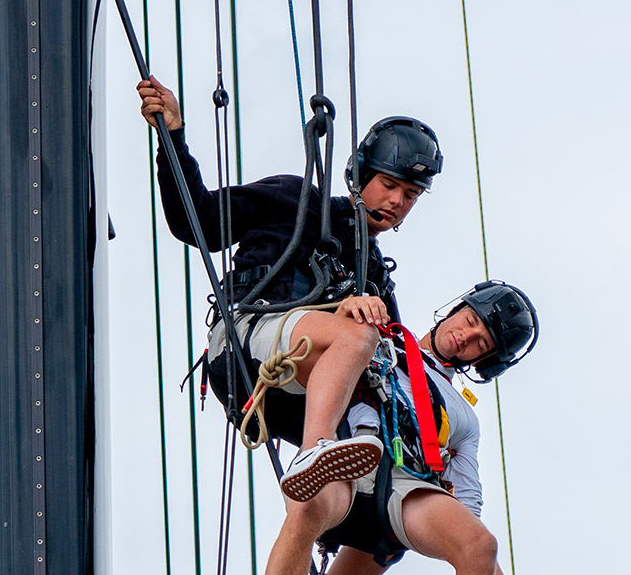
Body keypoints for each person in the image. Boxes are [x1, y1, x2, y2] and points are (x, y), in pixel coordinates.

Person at [230, 281, 544, 575]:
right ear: (454, 310)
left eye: (481, 342)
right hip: (344, 461)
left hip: (401, 483)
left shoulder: (462, 418)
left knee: (477, 544)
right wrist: (350, 304)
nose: (467, 336)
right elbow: (326, 333)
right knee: (311, 505)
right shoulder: (380, 338)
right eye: (470, 321)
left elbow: (469, 510)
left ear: (484, 362)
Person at [138, 77, 443, 502]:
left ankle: (338, 517)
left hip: (304, 397)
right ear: (361, 174)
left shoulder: (376, 280)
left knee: (382, 486)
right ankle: (313, 452)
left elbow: (403, 365)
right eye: (389, 185)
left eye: (410, 195)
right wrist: (173, 136)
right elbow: (199, 221)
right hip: (250, 345)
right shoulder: (295, 200)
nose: (396, 201)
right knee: (361, 334)